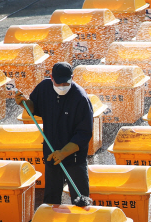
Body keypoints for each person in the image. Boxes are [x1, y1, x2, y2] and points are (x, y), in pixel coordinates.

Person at [14, 62, 93, 205]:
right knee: (51, 198)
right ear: (51, 78)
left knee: (80, 200)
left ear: (72, 78)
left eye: (66, 82)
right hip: (51, 152)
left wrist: (63, 152)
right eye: (58, 83)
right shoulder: (43, 89)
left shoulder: (80, 98)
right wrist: (24, 103)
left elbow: (84, 133)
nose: (62, 86)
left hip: (74, 157)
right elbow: (34, 107)